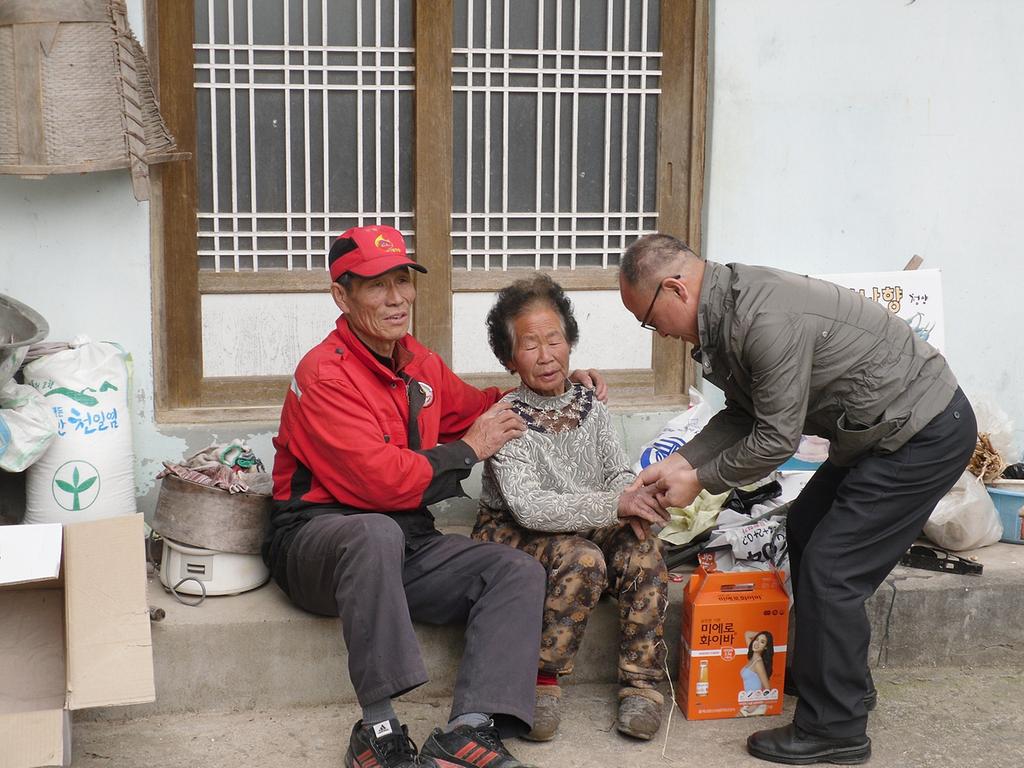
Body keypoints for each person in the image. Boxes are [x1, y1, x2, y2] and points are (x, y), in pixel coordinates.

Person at [619, 234, 976, 765]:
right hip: (872, 432)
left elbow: (776, 440)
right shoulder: (728, 311)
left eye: (649, 319)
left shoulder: (762, 320)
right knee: (806, 527)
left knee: (834, 571)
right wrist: (681, 461)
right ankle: (834, 679)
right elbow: (744, 415)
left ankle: (837, 728)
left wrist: (702, 479)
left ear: (675, 288)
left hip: (918, 432)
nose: (657, 334)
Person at [263, 225, 606, 768]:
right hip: (317, 542)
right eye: (377, 286)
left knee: (516, 571)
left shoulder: (416, 362)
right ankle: (377, 729)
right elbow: (379, 482)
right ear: (341, 295)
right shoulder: (324, 373)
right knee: (373, 530)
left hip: (403, 540)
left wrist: (551, 384)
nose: (397, 297)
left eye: (403, 280)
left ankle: (466, 733)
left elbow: (476, 407)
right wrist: (468, 450)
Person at [471, 275, 671, 744]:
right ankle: (542, 681)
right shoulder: (504, 418)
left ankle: (641, 684)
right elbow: (531, 508)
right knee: (583, 557)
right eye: (529, 345)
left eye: (555, 339)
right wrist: (613, 503)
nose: (546, 355)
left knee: (643, 550)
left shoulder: (591, 404)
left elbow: (614, 474)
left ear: (570, 342)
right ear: (508, 358)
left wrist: (634, 500)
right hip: (512, 528)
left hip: (586, 518)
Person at [739, 631, 774, 717]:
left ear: (766, 647)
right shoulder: (753, 657)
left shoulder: (758, 662)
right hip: (749, 702)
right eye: (757, 639)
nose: (757, 643)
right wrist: (763, 635)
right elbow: (747, 634)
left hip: (755, 705)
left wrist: (755, 705)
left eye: (762, 642)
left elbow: (768, 689)